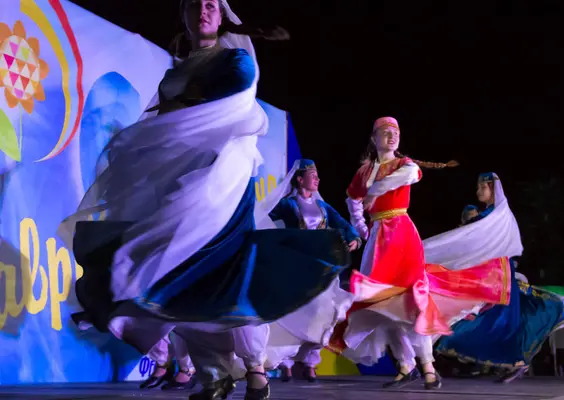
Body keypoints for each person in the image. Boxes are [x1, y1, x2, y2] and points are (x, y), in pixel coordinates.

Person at [61, 1, 351, 399]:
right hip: (180, 180)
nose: (203, 10)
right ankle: (213, 374)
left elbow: (228, 110)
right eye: (195, 4)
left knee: (224, 273)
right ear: (182, 14)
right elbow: (165, 124)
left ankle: (255, 369)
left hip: (222, 183)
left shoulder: (235, 62)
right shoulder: (176, 71)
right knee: (178, 278)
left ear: (222, 14)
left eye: (211, 4)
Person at [327, 117, 511, 390]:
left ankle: (427, 367)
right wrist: (360, 225)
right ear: (374, 138)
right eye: (386, 133)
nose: (392, 137)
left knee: (411, 302)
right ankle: (406, 365)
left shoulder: (405, 164)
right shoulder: (365, 170)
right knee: (382, 305)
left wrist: (374, 192)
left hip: (400, 233)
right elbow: (352, 197)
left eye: (396, 133)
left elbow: (409, 176)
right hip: (377, 236)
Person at [433, 173, 564, 383]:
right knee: (492, 321)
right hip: (487, 275)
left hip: (497, 278)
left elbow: (503, 245)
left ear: (492, 188)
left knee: (496, 321)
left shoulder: (498, 214)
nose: (478, 192)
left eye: (482, 187)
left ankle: (516, 362)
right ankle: (516, 363)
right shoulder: (489, 215)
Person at [263, 159, 360, 382]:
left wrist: (353, 238)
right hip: (295, 266)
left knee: (321, 313)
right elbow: (264, 216)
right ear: (299, 179)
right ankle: (285, 362)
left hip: (321, 267)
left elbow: (344, 225)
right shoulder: (288, 204)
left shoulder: (322, 207)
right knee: (291, 311)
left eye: (317, 175)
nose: (317, 178)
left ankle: (309, 362)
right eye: (312, 174)